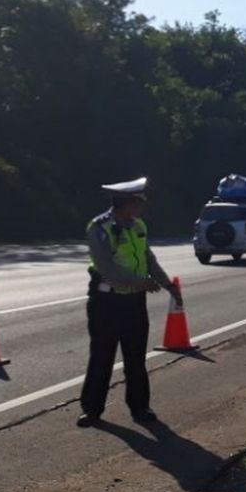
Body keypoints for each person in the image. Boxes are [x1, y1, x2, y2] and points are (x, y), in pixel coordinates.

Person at [77, 177, 182, 428]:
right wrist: (141, 282)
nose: (140, 209)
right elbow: (107, 268)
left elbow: (148, 258)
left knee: (136, 357)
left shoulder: (138, 226)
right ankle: (92, 410)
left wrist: (168, 285)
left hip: (134, 302)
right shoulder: (99, 227)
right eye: (137, 203)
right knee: (102, 356)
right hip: (106, 302)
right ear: (125, 204)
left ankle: (140, 407)